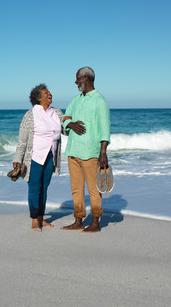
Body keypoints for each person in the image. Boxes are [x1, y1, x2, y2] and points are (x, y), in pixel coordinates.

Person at [61, 67, 110, 233]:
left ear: (87, 79)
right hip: (73, 151)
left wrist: (103, 153)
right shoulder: (75, 100)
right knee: (76, 189)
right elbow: (65, 119)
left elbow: (105, 128)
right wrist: (71, 124)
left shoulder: (99, 100)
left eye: (78, 80)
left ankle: (96, 222)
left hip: (91, 152)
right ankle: (78, 220)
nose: (76, 83)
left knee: (94, 189)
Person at [12, 84, 65, 231]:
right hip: (34, 156)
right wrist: (18, 158)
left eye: (49, 92)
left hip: (51, 155)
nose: (50, 94)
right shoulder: (30, 115)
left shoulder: (57, 112)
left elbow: (65, 130)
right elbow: (22, 139)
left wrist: (72, 124)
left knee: (44, 188)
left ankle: (41, 218)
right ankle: (35, 219)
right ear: (38, 98)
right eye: (45, 93)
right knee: (34, 188)